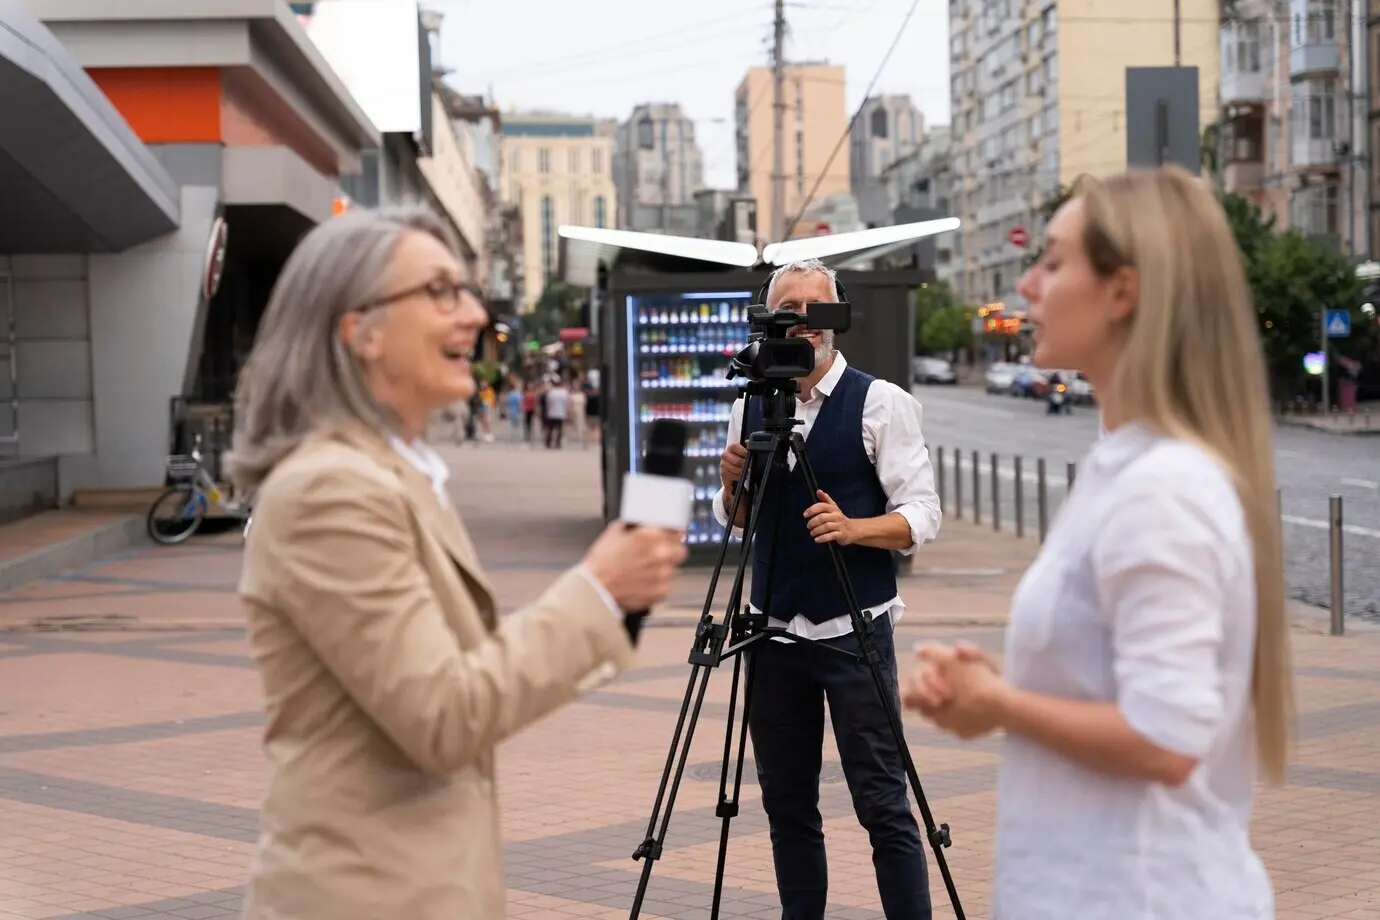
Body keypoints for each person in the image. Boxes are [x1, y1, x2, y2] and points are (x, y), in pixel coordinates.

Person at [227, 205, 687, 920]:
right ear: (361, 330)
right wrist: (598, 590)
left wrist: (606, 597)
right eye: (441, 291)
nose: (473, 313)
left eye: (468, 290)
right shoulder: (330, 490)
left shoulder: (400, 475)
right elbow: (442, 714)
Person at [902, 165, 1293, 920]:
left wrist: (1004, 703)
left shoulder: (1165, 485)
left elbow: (1167, 737)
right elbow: (1120, 683)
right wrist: (997, 689)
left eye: (1052, 261)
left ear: (1124, 290)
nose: (1026, 286)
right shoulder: (1128, 463)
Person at [711, 258, 943, 920]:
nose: (803, 323)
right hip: (772, 630)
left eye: (817, 309)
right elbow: (742, 519)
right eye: (789, 309)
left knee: (882, 801)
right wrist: (733, 484)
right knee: (785, 800)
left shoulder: (880, 403)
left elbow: (922, 517)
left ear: (835, 321)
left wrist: (854, 527)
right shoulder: (750, 403)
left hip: (853, 630)